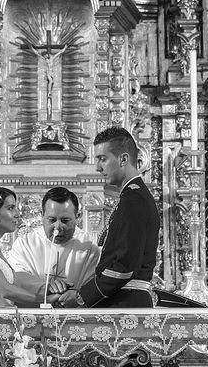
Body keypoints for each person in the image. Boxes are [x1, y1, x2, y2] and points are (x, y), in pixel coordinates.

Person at [58, 126, 159, 308]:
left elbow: (123, 267)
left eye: (102, 159)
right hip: (124, 299)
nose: (97, 168)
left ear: (123, 159)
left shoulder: (133, 199)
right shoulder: (131, 196)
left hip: (125, 303)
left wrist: (83, 296)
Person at [8, 187, 100, 294]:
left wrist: (77, 295)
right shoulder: (25, 244)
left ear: (77, 217)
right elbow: (16, 277)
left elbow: (95, 284)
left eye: (65, 220)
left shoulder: (90, 246)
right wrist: (44, 286)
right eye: (52, 220)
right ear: (42, 215)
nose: (57, 227)